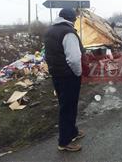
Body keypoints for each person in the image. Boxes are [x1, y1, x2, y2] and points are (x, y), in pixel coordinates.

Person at [44, 8, 85, 152]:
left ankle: (72, 132)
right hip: (69, 76)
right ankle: (64, 141)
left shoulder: (50, 31)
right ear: (72, 19)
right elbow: (74, 58)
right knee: (68, 108)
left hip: (57, 74)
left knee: (66, 104)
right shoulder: (68, 33)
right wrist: (78, 73)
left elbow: (47, 54)